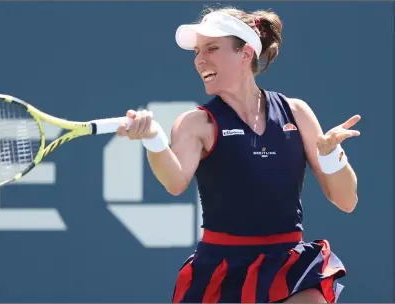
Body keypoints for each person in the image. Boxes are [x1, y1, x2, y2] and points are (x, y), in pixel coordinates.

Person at [116, 6, 360, 304]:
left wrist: (331, 155)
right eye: (197, 51)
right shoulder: (197, 123)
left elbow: (346, 201)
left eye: (212, 48)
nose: (199, 60)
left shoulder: (296, 113)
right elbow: (174, 181)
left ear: (245, 54)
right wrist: (154, 139)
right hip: (220, 271)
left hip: (286, 265)